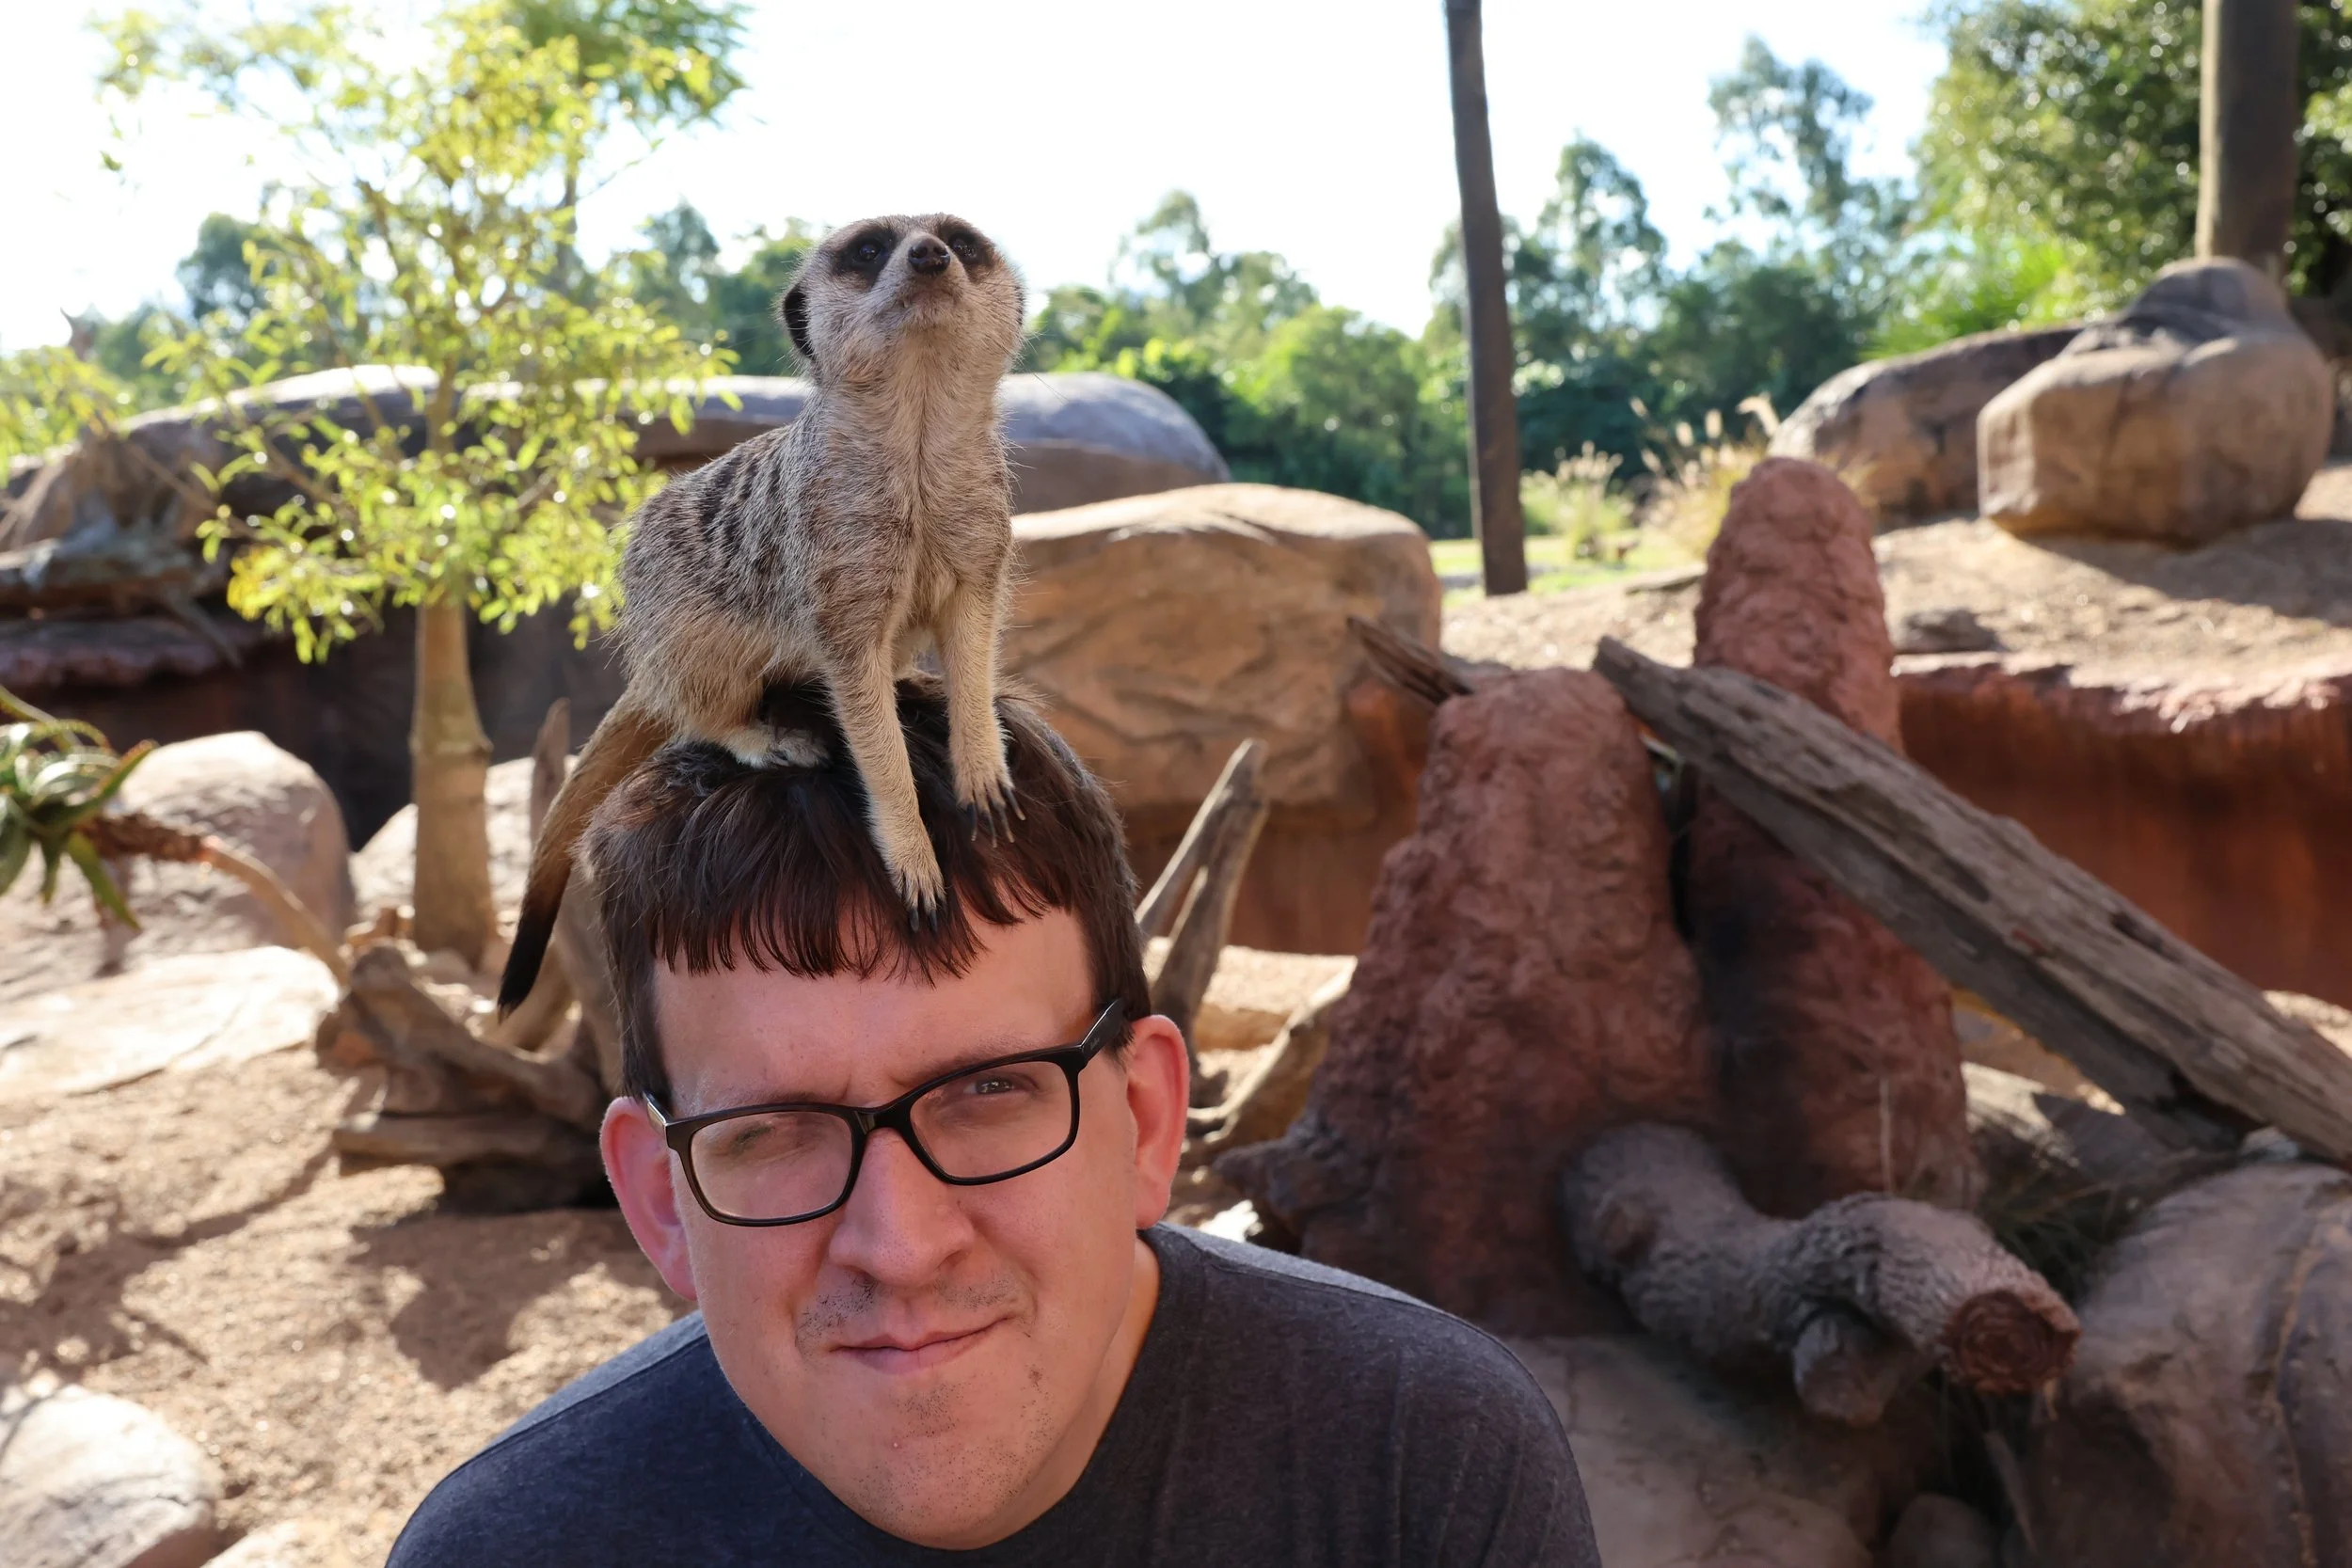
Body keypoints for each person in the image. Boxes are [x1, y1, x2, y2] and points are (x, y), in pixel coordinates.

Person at [388, 679, 1601, 1566]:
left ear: (1147, 1119)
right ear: (661, 1202)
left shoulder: (1418, 1469)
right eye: (774, 1131)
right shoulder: (512, 1549)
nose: (903, 1245)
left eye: (988, 1095)